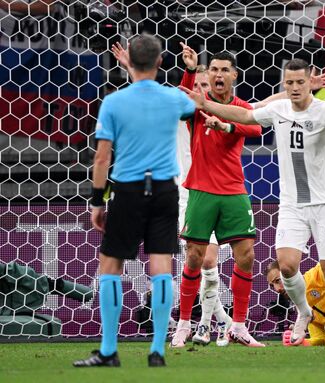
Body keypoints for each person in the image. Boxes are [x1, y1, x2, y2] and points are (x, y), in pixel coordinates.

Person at [182, 58, 325, 351]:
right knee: (286, 265)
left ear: (310, 82)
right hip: (293, 203)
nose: (295, 88)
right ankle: (304, 312)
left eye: (300, 82)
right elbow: (243, 115)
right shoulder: (279, 109)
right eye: (290, 83)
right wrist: (206, 105)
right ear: (285, 84)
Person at [73, 33, 196, 368]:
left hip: (127, 189)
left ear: (127, 61)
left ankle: (109, 350)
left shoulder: (114, 102)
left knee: (110, 266)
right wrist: (145, 73)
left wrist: (98, 202)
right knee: (161, 268)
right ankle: (157, 350)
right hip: (165, 190)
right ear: (159, 62)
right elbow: (191, 106)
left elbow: (101, 158)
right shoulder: (173, 99)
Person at [171, 46, 266, 348]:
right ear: (207, 74)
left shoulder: (239, 106)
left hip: (233, 191)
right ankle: (184, 324)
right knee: (195, 258)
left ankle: (238, 325)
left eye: (224, 70)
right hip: (200, 190)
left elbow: (256, 127)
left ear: (234, 75)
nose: (218, 74)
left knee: (247, 256)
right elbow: (182, 105)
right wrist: (188, 70)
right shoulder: (198, 107)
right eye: (213, 69)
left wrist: (224, 124)